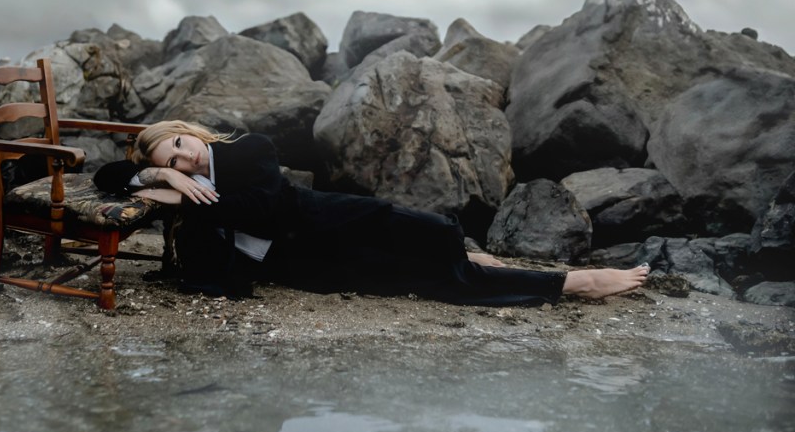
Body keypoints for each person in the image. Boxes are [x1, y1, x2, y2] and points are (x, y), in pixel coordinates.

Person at [94, 120, 649, 304]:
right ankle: (573, 283)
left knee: (434, 232)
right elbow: (106, 176)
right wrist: (157, 178)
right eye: (175, 161)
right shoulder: (179, 180)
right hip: (301, 261)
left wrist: (181, 193)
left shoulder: (251, 148)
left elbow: (262, 208)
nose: (186, 159)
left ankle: (478, 256)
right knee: (430, 282)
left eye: (180, 147)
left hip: (333, 218)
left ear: (189, 132)